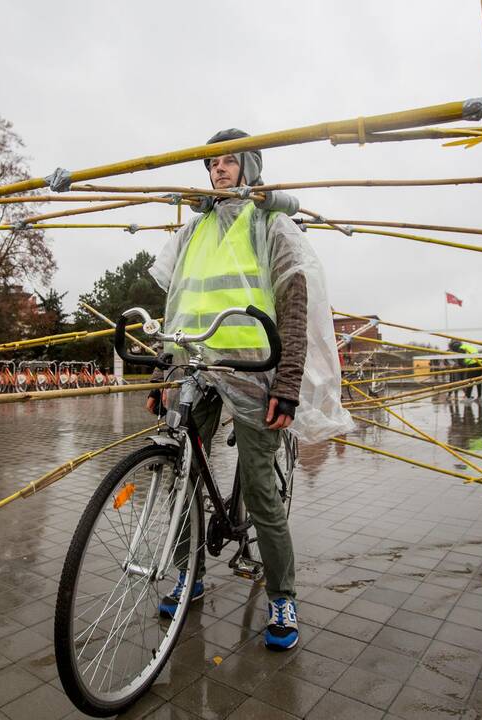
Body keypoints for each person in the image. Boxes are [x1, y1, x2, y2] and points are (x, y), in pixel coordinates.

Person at [145, 128, 352, 650]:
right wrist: (160, 372)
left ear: (250, 168)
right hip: (196, 366)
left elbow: (295, 305)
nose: (219, 169)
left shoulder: (270, 223)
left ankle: (283, 595)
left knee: (260, 488)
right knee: (182, 475)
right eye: (212, 163)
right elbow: (178, 308)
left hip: (254, 370)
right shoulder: (194, 231)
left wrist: (287, 382)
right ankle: (186, 575)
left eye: (230, 161)